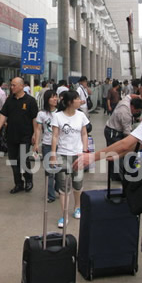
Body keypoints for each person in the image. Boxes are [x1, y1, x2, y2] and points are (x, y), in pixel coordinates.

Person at [74, 68, 142, 283]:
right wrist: (115, 154)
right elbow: (135, 146)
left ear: (140, 89)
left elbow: (126, 143)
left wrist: (92, 158)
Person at [50, 90, 89, 228]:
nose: (80, 101)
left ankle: (77, 207)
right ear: (69, 102)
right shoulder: (58, 117)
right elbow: (54, 136)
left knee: (77, 184)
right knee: (63, 186)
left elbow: (84, 134)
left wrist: (85, 151)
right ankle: (64, 215)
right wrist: (53, 154)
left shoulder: (81, 116)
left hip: (78, 154)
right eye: (77, 99)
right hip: (62, 155)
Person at [0, 77, 38, 194]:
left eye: (14, 85)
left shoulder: (30, 101)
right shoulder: (9, 100)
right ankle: (18, 183)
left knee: (23, 158)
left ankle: (28, 179)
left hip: (25, 135)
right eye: (11, 85)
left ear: (21, 86)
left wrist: (35, 133)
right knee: (13, 161)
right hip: (11, 135)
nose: (11, 87)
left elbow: (34, 119)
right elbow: (3, 115)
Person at [33, 90, 58, 203]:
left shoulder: (60, 113)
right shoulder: (41, 114)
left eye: (56, 97)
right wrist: (36, 144)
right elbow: (38, 129)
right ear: (47, 99)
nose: (55, 99)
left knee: (59, 171)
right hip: (47, 144)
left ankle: (57, 187)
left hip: (60, 145)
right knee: (49, 171)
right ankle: (51, 195)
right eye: (52, 97)